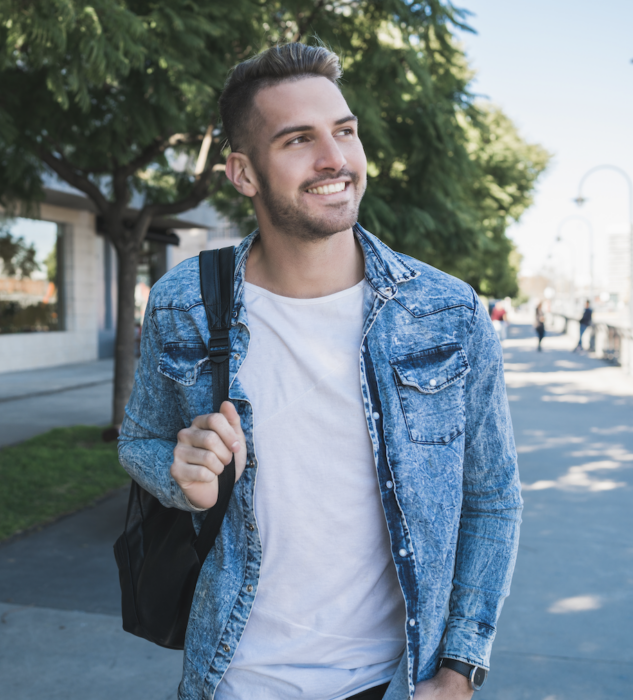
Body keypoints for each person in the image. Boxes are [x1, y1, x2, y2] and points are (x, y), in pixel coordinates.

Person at [118, 44, 521, 700]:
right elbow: (140, 441)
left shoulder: (445, 312)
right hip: (231, 678)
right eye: (299, 139)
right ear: (244, 174)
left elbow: (492, 497)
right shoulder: (185, 301)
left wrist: (460, 668)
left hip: (390, 683)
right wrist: (179, 473)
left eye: (344, 132)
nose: (335, 159)